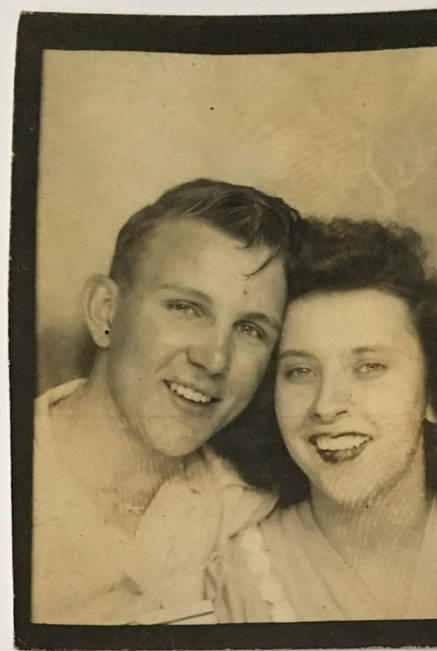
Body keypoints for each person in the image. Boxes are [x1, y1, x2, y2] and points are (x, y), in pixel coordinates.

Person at [207, 217, 437, 622]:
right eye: (299, 371)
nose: (326, 405)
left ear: (436, 392)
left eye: (368, 367)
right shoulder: (232, 580)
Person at [32, 178, 300, 624]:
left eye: (250, 329)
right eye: (186, 308)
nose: (214, 359)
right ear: (105, 312)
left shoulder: (248, 506)